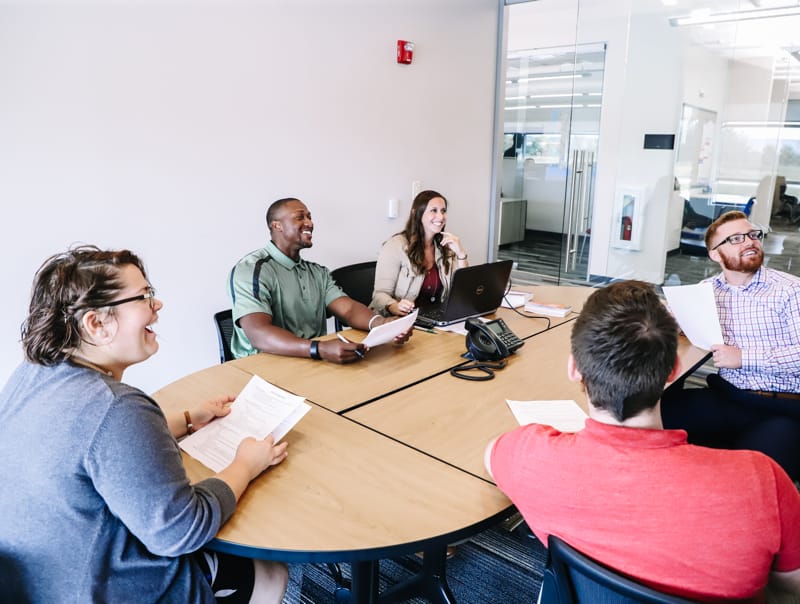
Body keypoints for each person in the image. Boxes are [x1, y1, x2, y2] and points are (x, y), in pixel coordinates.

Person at [0, 246, 289, 603]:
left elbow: (92, 445)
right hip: (99, 589)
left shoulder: (34, 373)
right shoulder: (117, 407)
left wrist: (186, 419)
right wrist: (246, 463)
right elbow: (182, 531)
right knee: (270, 568)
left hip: (41, 579)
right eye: (144, 296)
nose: (158, 305)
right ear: (96, 323)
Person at [485, 281, 800, 601]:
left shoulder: (529, 457)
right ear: (674, 371)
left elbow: (490, 455)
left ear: (574, 369)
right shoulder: (762, 482)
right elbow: (791, 587)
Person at [662, 210, 800, 481]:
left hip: (780, 407)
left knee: (752, 480)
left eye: (752, 235)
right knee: (647, 421)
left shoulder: (791, 291)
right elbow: (691, 333)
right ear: (715, 254)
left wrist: (744, 357)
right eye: (736, 238)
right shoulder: (706, 290)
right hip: (727, 395)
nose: (749, 241)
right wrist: (676, 324)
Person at [229, 197, 409, 363]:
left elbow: (349, 309)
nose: (309, 223)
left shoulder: (317, 272)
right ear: (277, 226)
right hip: (261, 367)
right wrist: (319, 348)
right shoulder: (252, 269)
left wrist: (382, 324)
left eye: (309, 217)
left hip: (310, 359)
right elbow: (258, 334)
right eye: (300, 217)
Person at [370, 189, 469, 317]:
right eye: (434, 210)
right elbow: (379, 295)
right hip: (399, 320)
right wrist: (394, 306)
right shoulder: (395, 246)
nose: (441, 217)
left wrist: (461, 254)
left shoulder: (446, 246)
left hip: (435, 319)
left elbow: (462, 291)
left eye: (443, 211)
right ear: (417, 213)